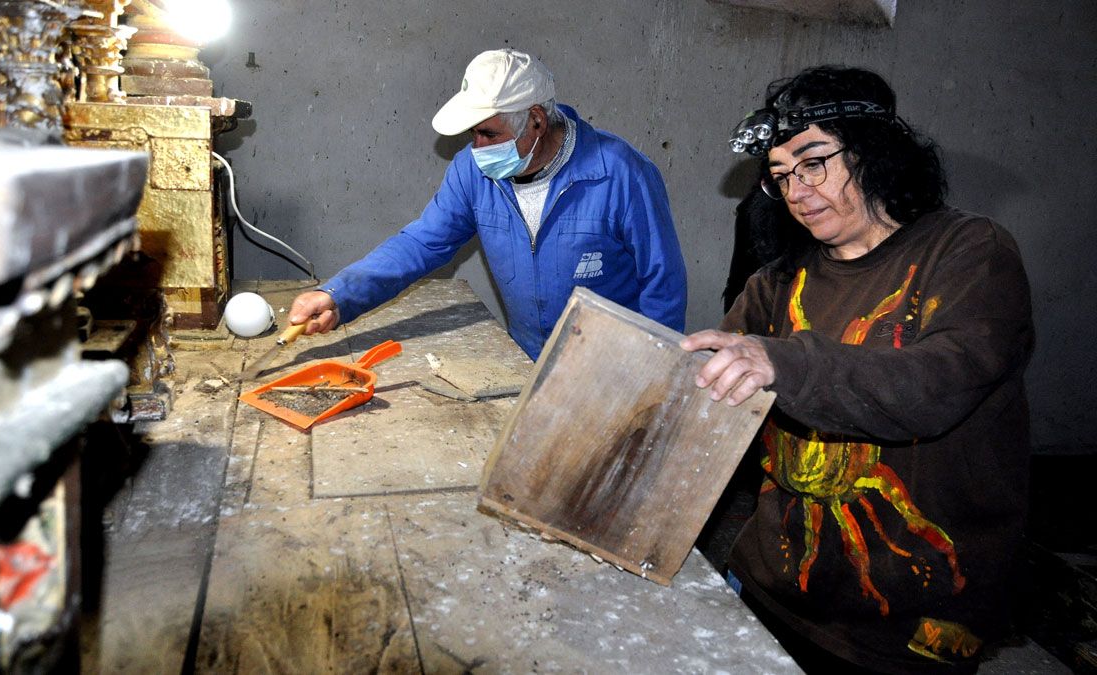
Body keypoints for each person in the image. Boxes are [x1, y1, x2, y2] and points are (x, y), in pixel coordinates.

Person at [682, 66, 1034, 674]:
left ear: (875, 153)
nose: (796, 190)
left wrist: (783, 360)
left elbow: (939, 383)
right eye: (780, 176)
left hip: (907, 614)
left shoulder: (968, 253)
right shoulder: (776, 283)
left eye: (814, 161)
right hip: (776, 585)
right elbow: (704, 405)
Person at [287, 48, 687, 360]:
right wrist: (340, 294)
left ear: (535, 120)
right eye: (472, 135)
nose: (476, 148)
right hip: (526, 358)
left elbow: (663, 285)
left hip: (609, 368)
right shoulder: (473, 172)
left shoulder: (619, 173)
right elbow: (422, 243)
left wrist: (648, 375)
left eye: (488, 133)